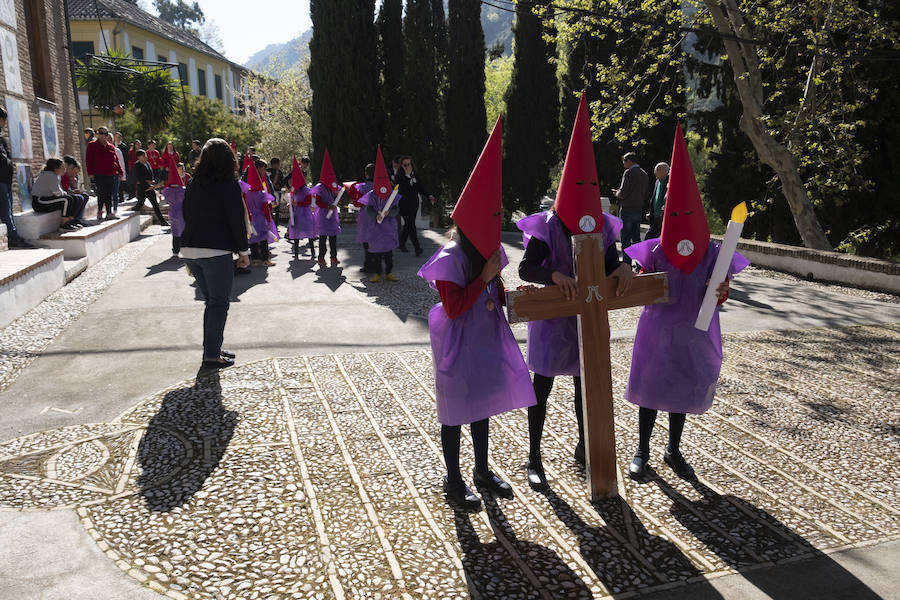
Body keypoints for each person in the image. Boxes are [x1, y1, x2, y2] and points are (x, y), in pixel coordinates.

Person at [418, 116, 535, 510]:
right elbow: (452, 307)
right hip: (456, 341)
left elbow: (493, 288)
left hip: (483, 338)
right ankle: (454, 480)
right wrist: (484, 275)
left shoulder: (488, 252)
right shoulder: (451, 257)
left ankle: (481, 470)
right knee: (454, 409)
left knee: (482, 402)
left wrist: (508, 292)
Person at [517, 93, 633, 490]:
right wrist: (552, 276)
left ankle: (584, 448)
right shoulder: (546, 226)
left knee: (587, 386)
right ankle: (533, 456)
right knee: (542, 389)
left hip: (589, 321)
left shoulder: (604, 225)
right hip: (552, 321)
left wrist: (623, 268)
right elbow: (525, 267)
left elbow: (613, 263)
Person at [625, 124, 749, 481]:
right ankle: (642, 449)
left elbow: (720, 288)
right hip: (657, 330)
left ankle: (673, 449)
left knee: (682, 385)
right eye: (671, 214)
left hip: (694, 329)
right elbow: (639, 274)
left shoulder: (712, 252)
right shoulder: (654, 248)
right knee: (651, 385)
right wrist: (635, 275)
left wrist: (721, 290)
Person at [180, 138, 250, 370]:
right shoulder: (229, 184)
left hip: (190, 249)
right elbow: (236, 221)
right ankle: (211, 355)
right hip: (216, 251)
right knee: (218, 304)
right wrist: (243, 252)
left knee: (212, 303)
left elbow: (185, 213)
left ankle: (213, 348)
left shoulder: (193, 183)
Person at [363, 148, 400, 282]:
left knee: (388, 252)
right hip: (376, 228)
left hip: (388, 227)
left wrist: (390, 212)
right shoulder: (372, 195)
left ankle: (389, 272)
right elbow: (368, 209)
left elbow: (396, 209)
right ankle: (377, 273)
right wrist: (375, 215)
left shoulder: (391, 194)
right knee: (377, 253)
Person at [0, 106, 32, 247]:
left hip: (6, 180)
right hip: (1, 180)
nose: (5, 123)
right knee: (6, 210)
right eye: (4, 120)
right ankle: (13, 237)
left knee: (9, 209)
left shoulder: (1, 137)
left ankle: (13, 235)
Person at [31, 158, 88, 231]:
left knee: (74, 198)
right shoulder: (49, 175)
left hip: (47, 199)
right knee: (67, 199)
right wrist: (70, 193)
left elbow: (59, 192)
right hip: (39, 202)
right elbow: (58, 193)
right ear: (56, 168)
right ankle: (64, 223)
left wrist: (72, 193)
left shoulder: (55, 175)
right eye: (62, 167)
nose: (64, 169)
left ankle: (71, 220)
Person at [613, 151, 649, 266]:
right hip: (638, 208)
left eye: (624, 161)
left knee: (625, 238)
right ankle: (639, 263)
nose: (623, 163)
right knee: (636, 238)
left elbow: (623, 192)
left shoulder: (628, 173)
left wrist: (616, 193)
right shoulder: (644, 174)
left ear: (629, 161)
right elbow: (645, 192)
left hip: (627, 208)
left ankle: (627, 263)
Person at [394, 156, 434, 256]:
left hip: (414, 204)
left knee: (408, 224)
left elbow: (420, 187)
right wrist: (407, 178)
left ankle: (401, 243)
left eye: (409, 164)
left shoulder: (415, 175)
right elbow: (401, 191)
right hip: (403, 205)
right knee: (411, 224)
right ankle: (417, 248)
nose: (407, 166)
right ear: (401, 166)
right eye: (405, 165)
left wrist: (429, 195)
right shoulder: (399, 177)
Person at [244, 157, 278, 266]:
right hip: (260, 218)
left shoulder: (246, 193)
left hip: (251, 218)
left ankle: (254, 260)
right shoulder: (261, 194)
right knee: (263, 239)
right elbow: (265, 208)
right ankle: (265, 259)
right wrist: (268, 221)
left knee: (253, 238)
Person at [85, 127, 124, 221]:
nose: (103, 135)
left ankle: (109, 212)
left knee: (109, 193)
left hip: (110, 173)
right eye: (101, 133)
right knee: (101, 192)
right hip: (99, 173)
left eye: (105, 133)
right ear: (98, 134)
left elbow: (116, 160)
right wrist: (90, 172)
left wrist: (120, 171)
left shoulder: (110, 146)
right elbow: (88, 160)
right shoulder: (92, 145)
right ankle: (99, 212)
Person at [312, 149, 342, 266]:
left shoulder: (334, 187)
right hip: (323, 216)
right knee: (323, 238)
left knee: (333, 237)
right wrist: (328, 205)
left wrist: (335, 202)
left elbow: (337, 196)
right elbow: (318, 202)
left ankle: (333, 257)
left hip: (332, 215)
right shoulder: (320, 188)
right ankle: (321, 257)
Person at [287, 155, 317, 258]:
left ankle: (313, 252)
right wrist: (291, 203)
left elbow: (308, 202)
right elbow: (292, 198)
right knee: (296, 234)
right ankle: (296, 253)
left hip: (305, 214)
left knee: (309, 234)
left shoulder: (307, 190)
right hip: (297, 214)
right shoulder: (294, 190)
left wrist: (297, 204)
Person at [132, 150, 168, 226]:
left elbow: (151, 175)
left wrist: (152, 182)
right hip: (142, 189)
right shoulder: (137, 165)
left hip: (150, 189)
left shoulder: (147, 164)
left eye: (145, 155)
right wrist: (147, 185)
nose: (146, 157)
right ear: (139, 157)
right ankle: (132, 213)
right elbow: (139, 178)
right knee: (140, 203)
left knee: (155, 205)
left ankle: (163, 221)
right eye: (144, 155)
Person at [351, 164, 375, 273]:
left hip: (365, 216)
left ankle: (368, 264)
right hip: (377, 215)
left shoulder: (362, 187)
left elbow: (358, 203)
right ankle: (377, 264)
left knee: (366, 241)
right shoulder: (380, 186)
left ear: (366, 174)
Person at [161, 154, 186, 254]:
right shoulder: (183, 190)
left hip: (172, 212)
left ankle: (175, 250)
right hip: (182, 212)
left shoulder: (167, 190)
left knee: (175, 231)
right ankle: (183, 248)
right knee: (183, 230)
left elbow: (165, 197)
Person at [646, 162, 669, 240]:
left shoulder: (670, 182)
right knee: (649, 237)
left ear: (663, 171)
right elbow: (655, 198)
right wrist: (651, 212)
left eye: (657, 170)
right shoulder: (657, 182)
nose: (655, 172)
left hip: (663, 217)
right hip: (654, 217)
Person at [114, 132, 130, 202]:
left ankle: (128, 194)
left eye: (119, 137)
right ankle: (121, 197)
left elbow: (126, 158)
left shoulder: (124, 146)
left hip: (122, 166)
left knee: (122, 183)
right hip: (115, 167)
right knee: (118, 183)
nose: (117, 138)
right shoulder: (112, 145)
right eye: (116, 137)